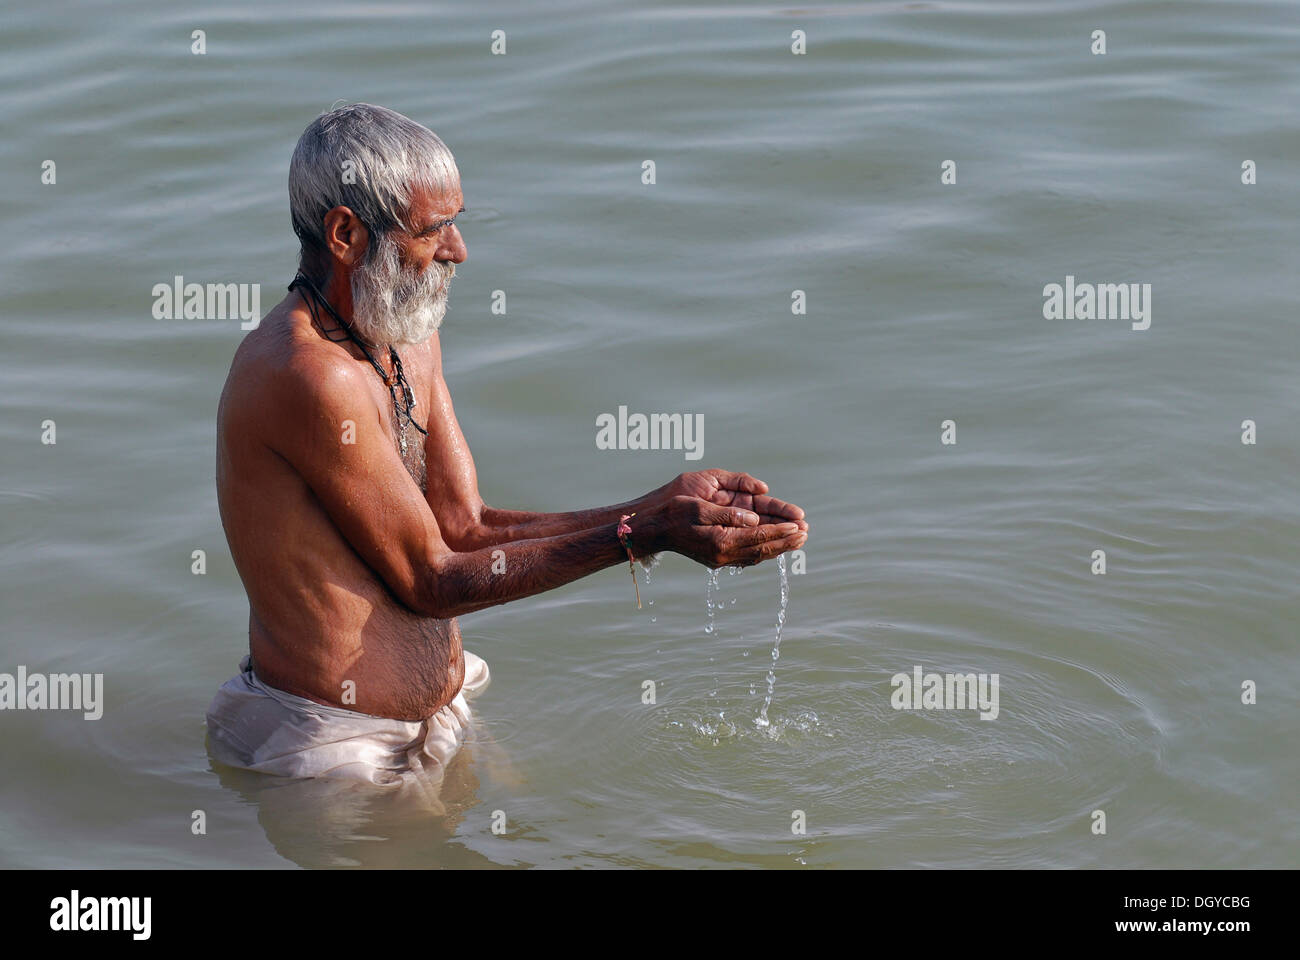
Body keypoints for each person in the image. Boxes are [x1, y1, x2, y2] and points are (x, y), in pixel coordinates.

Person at [206, 103, 808, 787]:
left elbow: (465, 526)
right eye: (434, 230)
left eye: (457, 222)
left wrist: (661, 506)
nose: (459, 250)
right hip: (331, 746)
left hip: (436, 709)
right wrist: (647, 533)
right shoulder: (306, 375)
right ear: (345, 234)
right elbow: (432, 578)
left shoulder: (404, 331)